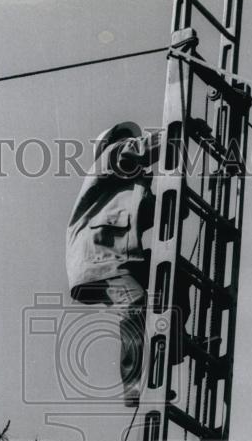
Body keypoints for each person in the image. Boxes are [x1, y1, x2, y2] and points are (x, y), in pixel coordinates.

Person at [66, 121, 191, 406]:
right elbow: (133, 152)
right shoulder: (108, 160)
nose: (127, 144)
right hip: (99, 260)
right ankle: (134, 386)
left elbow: (164, 212)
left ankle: (172, 348)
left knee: (176, 275)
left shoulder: (133, 191)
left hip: (123, 259)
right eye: (124, 140)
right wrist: (176, 132)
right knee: (135, 305)